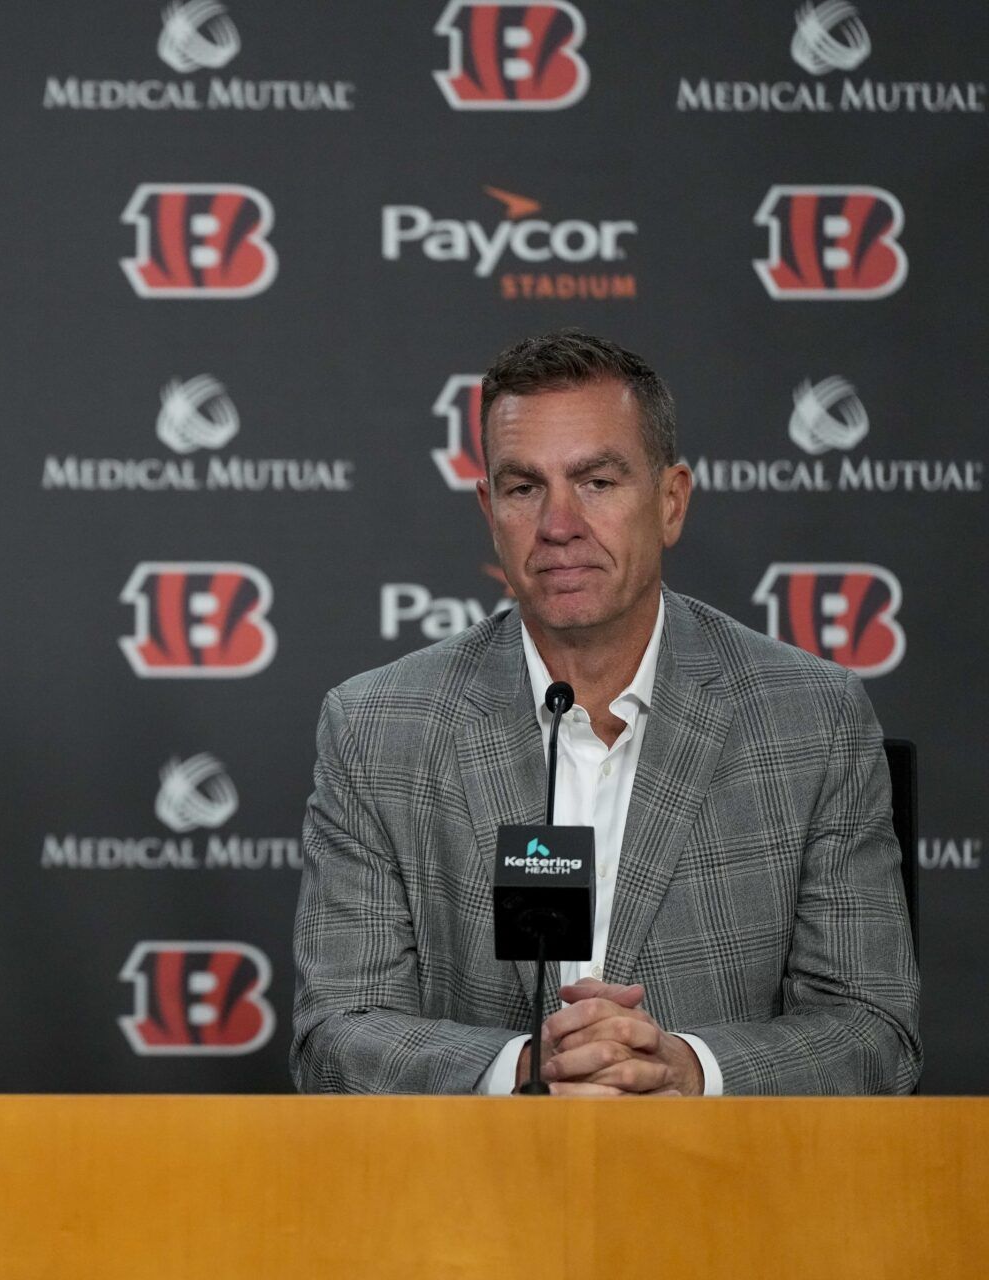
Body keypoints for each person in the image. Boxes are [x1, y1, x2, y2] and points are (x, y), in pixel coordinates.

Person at [291, 330, 919, 1095]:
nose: (559, 524)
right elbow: (337, 1033)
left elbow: (872, 1029)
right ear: (491, 510)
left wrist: (685, 1070)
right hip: (476, 1196)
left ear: (671, 501)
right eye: (525, 488)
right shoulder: (377, 728)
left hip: (725, 1192)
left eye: (596, 481)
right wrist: (528, 1069)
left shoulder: (812, 721)